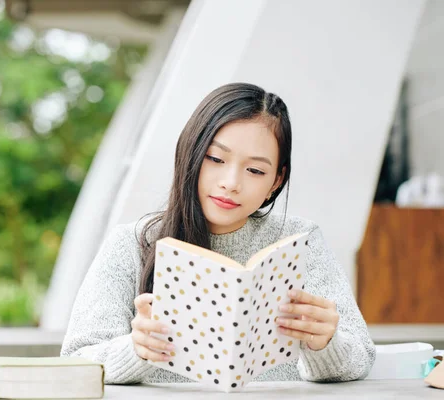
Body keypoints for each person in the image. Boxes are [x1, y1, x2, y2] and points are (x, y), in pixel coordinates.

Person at [60, 83, 376, 384]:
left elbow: (361, 357)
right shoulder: (132, 243)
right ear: (190, 154)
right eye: (215, 158)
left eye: (255, 170)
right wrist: (135, 349)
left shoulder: (300, 240)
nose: (231, 182)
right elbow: (74, 361)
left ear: (276, 182)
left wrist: (325, 344)